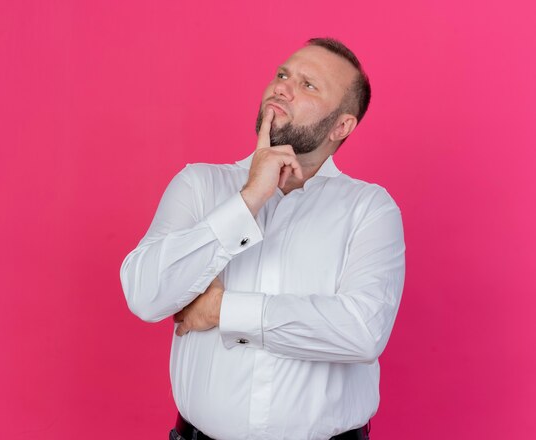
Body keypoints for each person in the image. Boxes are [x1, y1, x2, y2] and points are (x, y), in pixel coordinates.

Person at [120, 37, 405, 440]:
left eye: (309, 85)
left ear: (341, 126)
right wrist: (248, 200)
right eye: (283, 74)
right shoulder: (199, 184)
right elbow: (145, 294)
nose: (282, 87)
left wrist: (223, 310)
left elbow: (361, 331)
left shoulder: (370, 209)